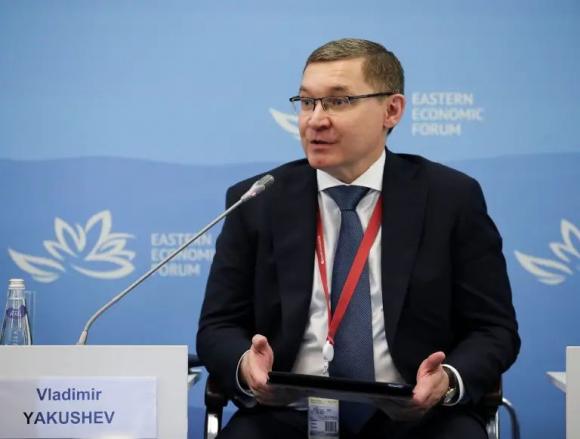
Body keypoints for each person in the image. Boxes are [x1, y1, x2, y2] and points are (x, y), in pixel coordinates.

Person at [197, 38, 520, 439]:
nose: (316, 120)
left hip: (416, 419)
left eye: (338, 101)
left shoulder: (450, 198)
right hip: (289, 415)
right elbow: (218, 326)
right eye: (307, 102)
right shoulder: (258, 200)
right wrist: (247, 366)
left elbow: (493, 329)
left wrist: (448, 380)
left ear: (392, 110)